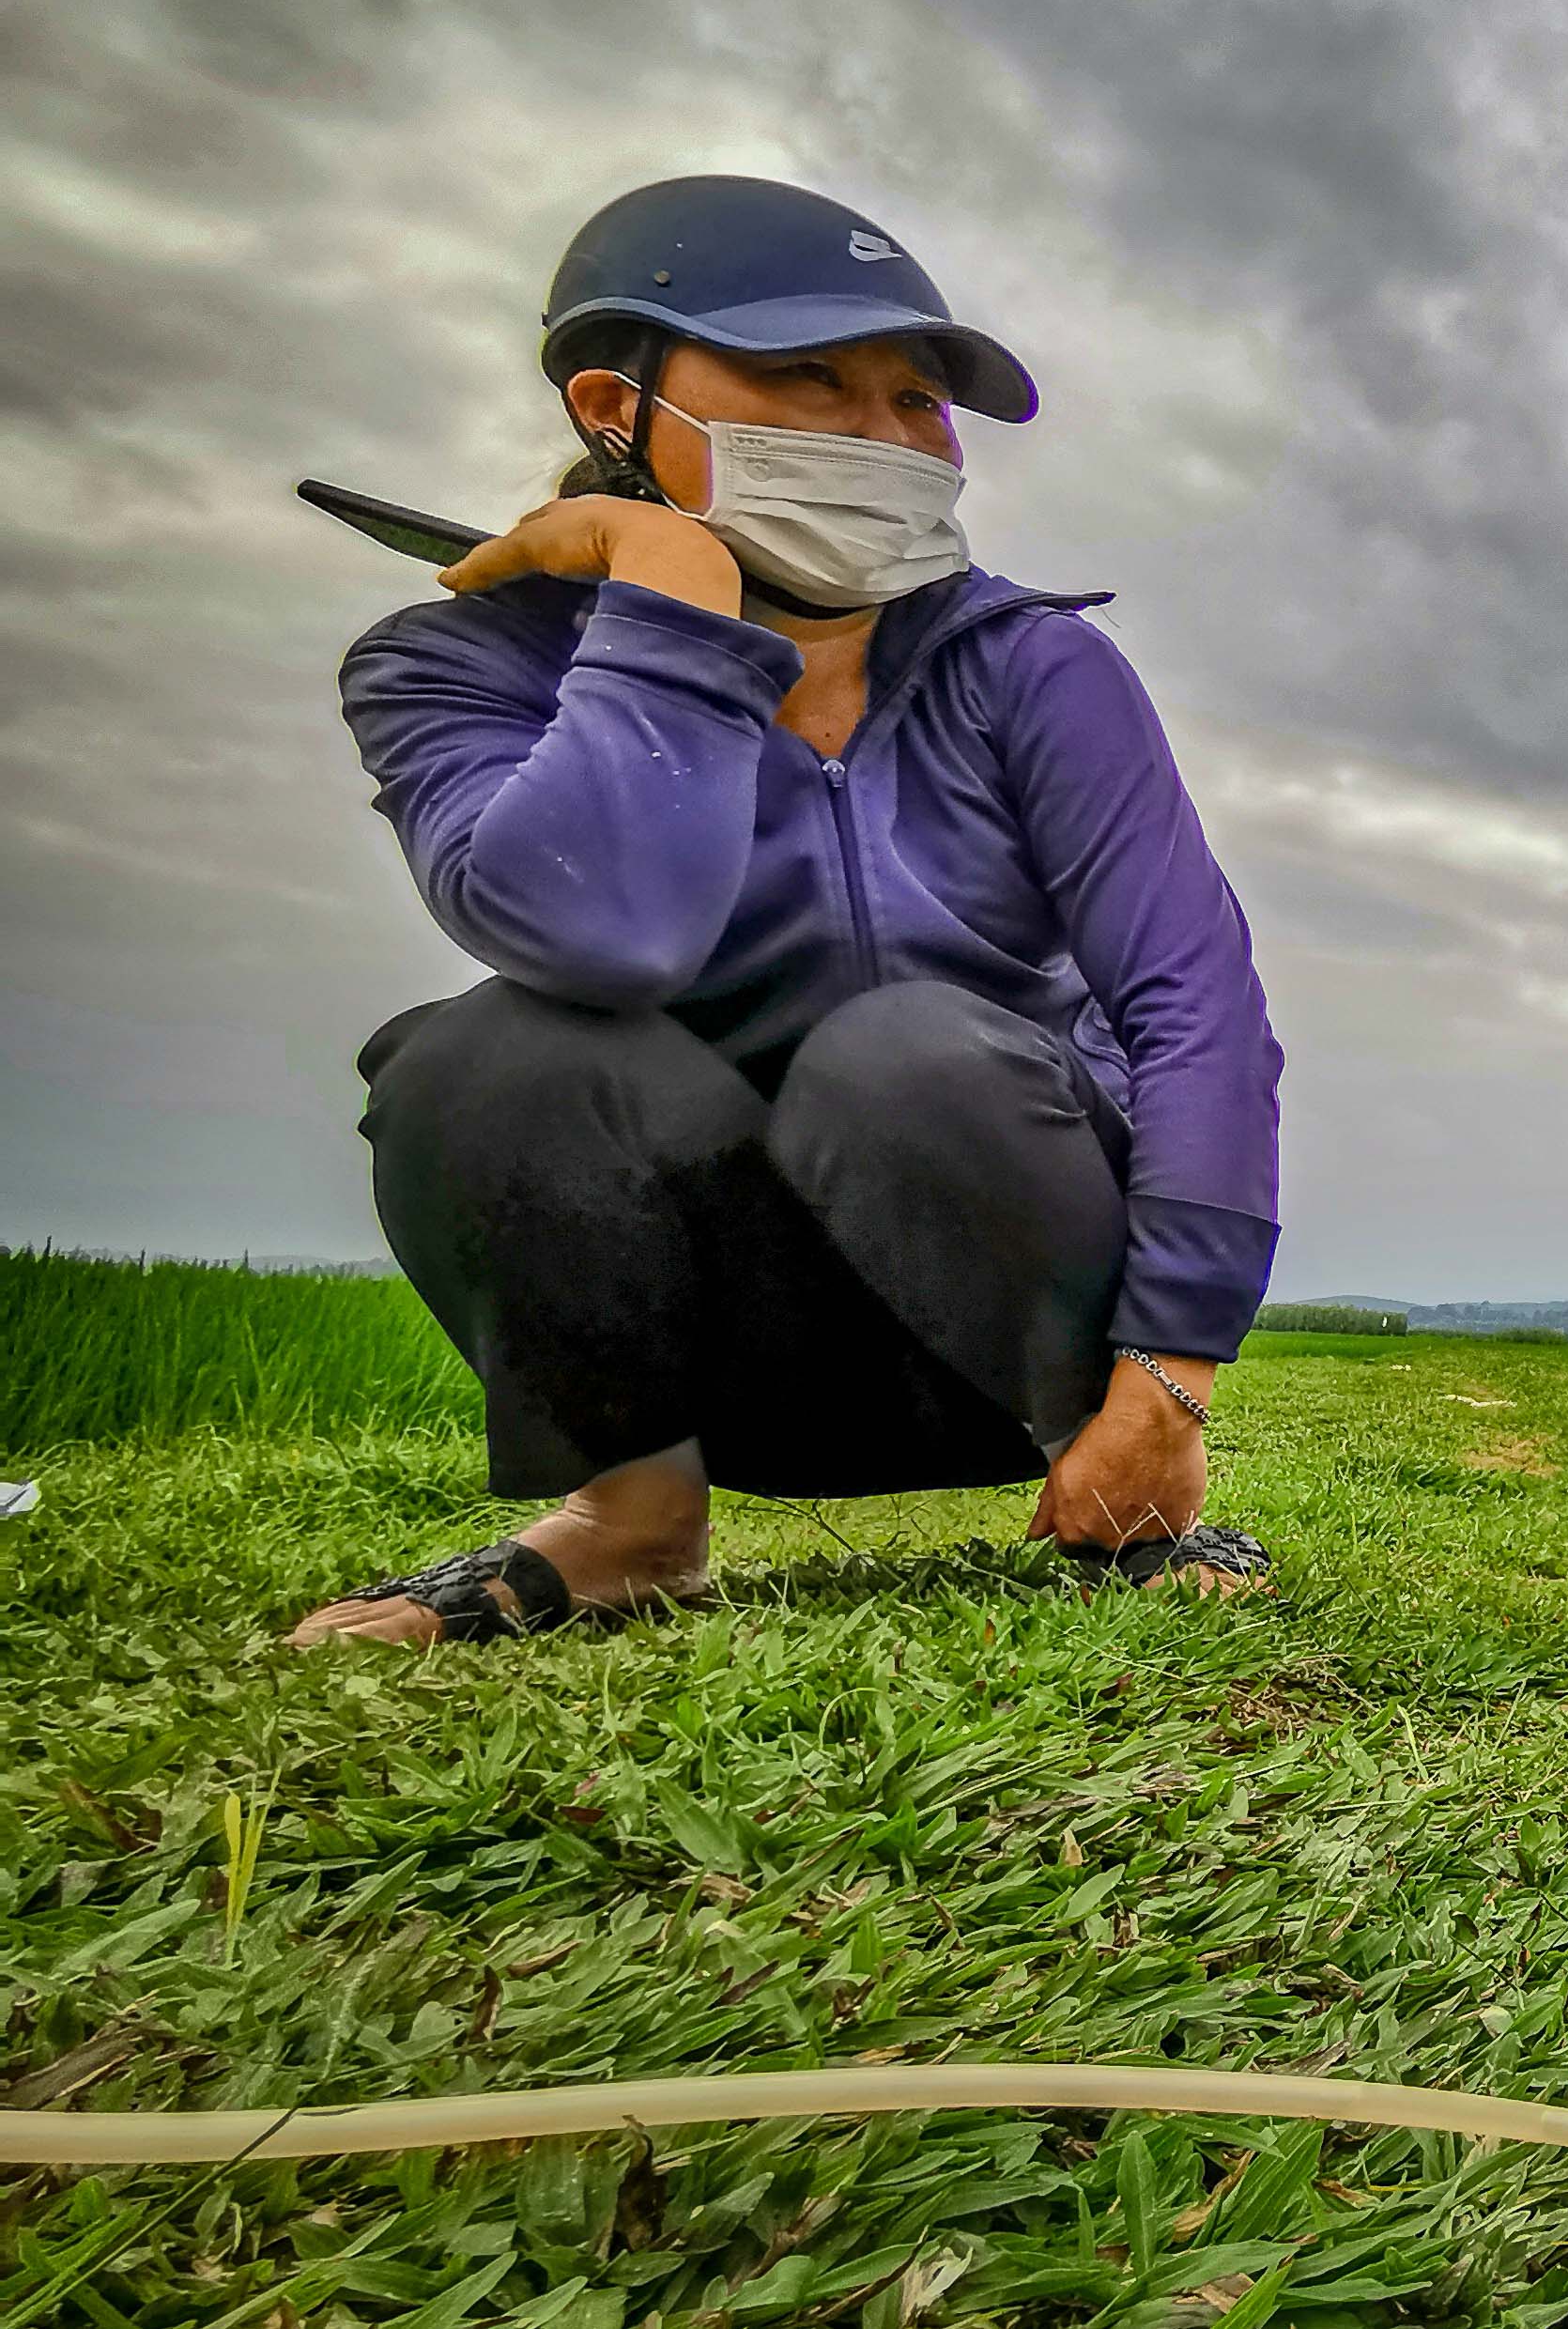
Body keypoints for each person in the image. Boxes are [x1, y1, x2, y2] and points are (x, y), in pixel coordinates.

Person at [293, 175, 1284, 1647]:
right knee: (480, 1053)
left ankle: (1134, 1500)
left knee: (911, 1052)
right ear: (614, 407)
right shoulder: (453, 667)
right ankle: (629, 1517)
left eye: (913, 397)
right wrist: (673, 604)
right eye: (808, 376)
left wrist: (1172, 1371)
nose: (881, 433)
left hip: (1008, 1345)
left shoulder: (1030, 666)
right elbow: (596, 934)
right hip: (716, 1351)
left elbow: (1192, 997)